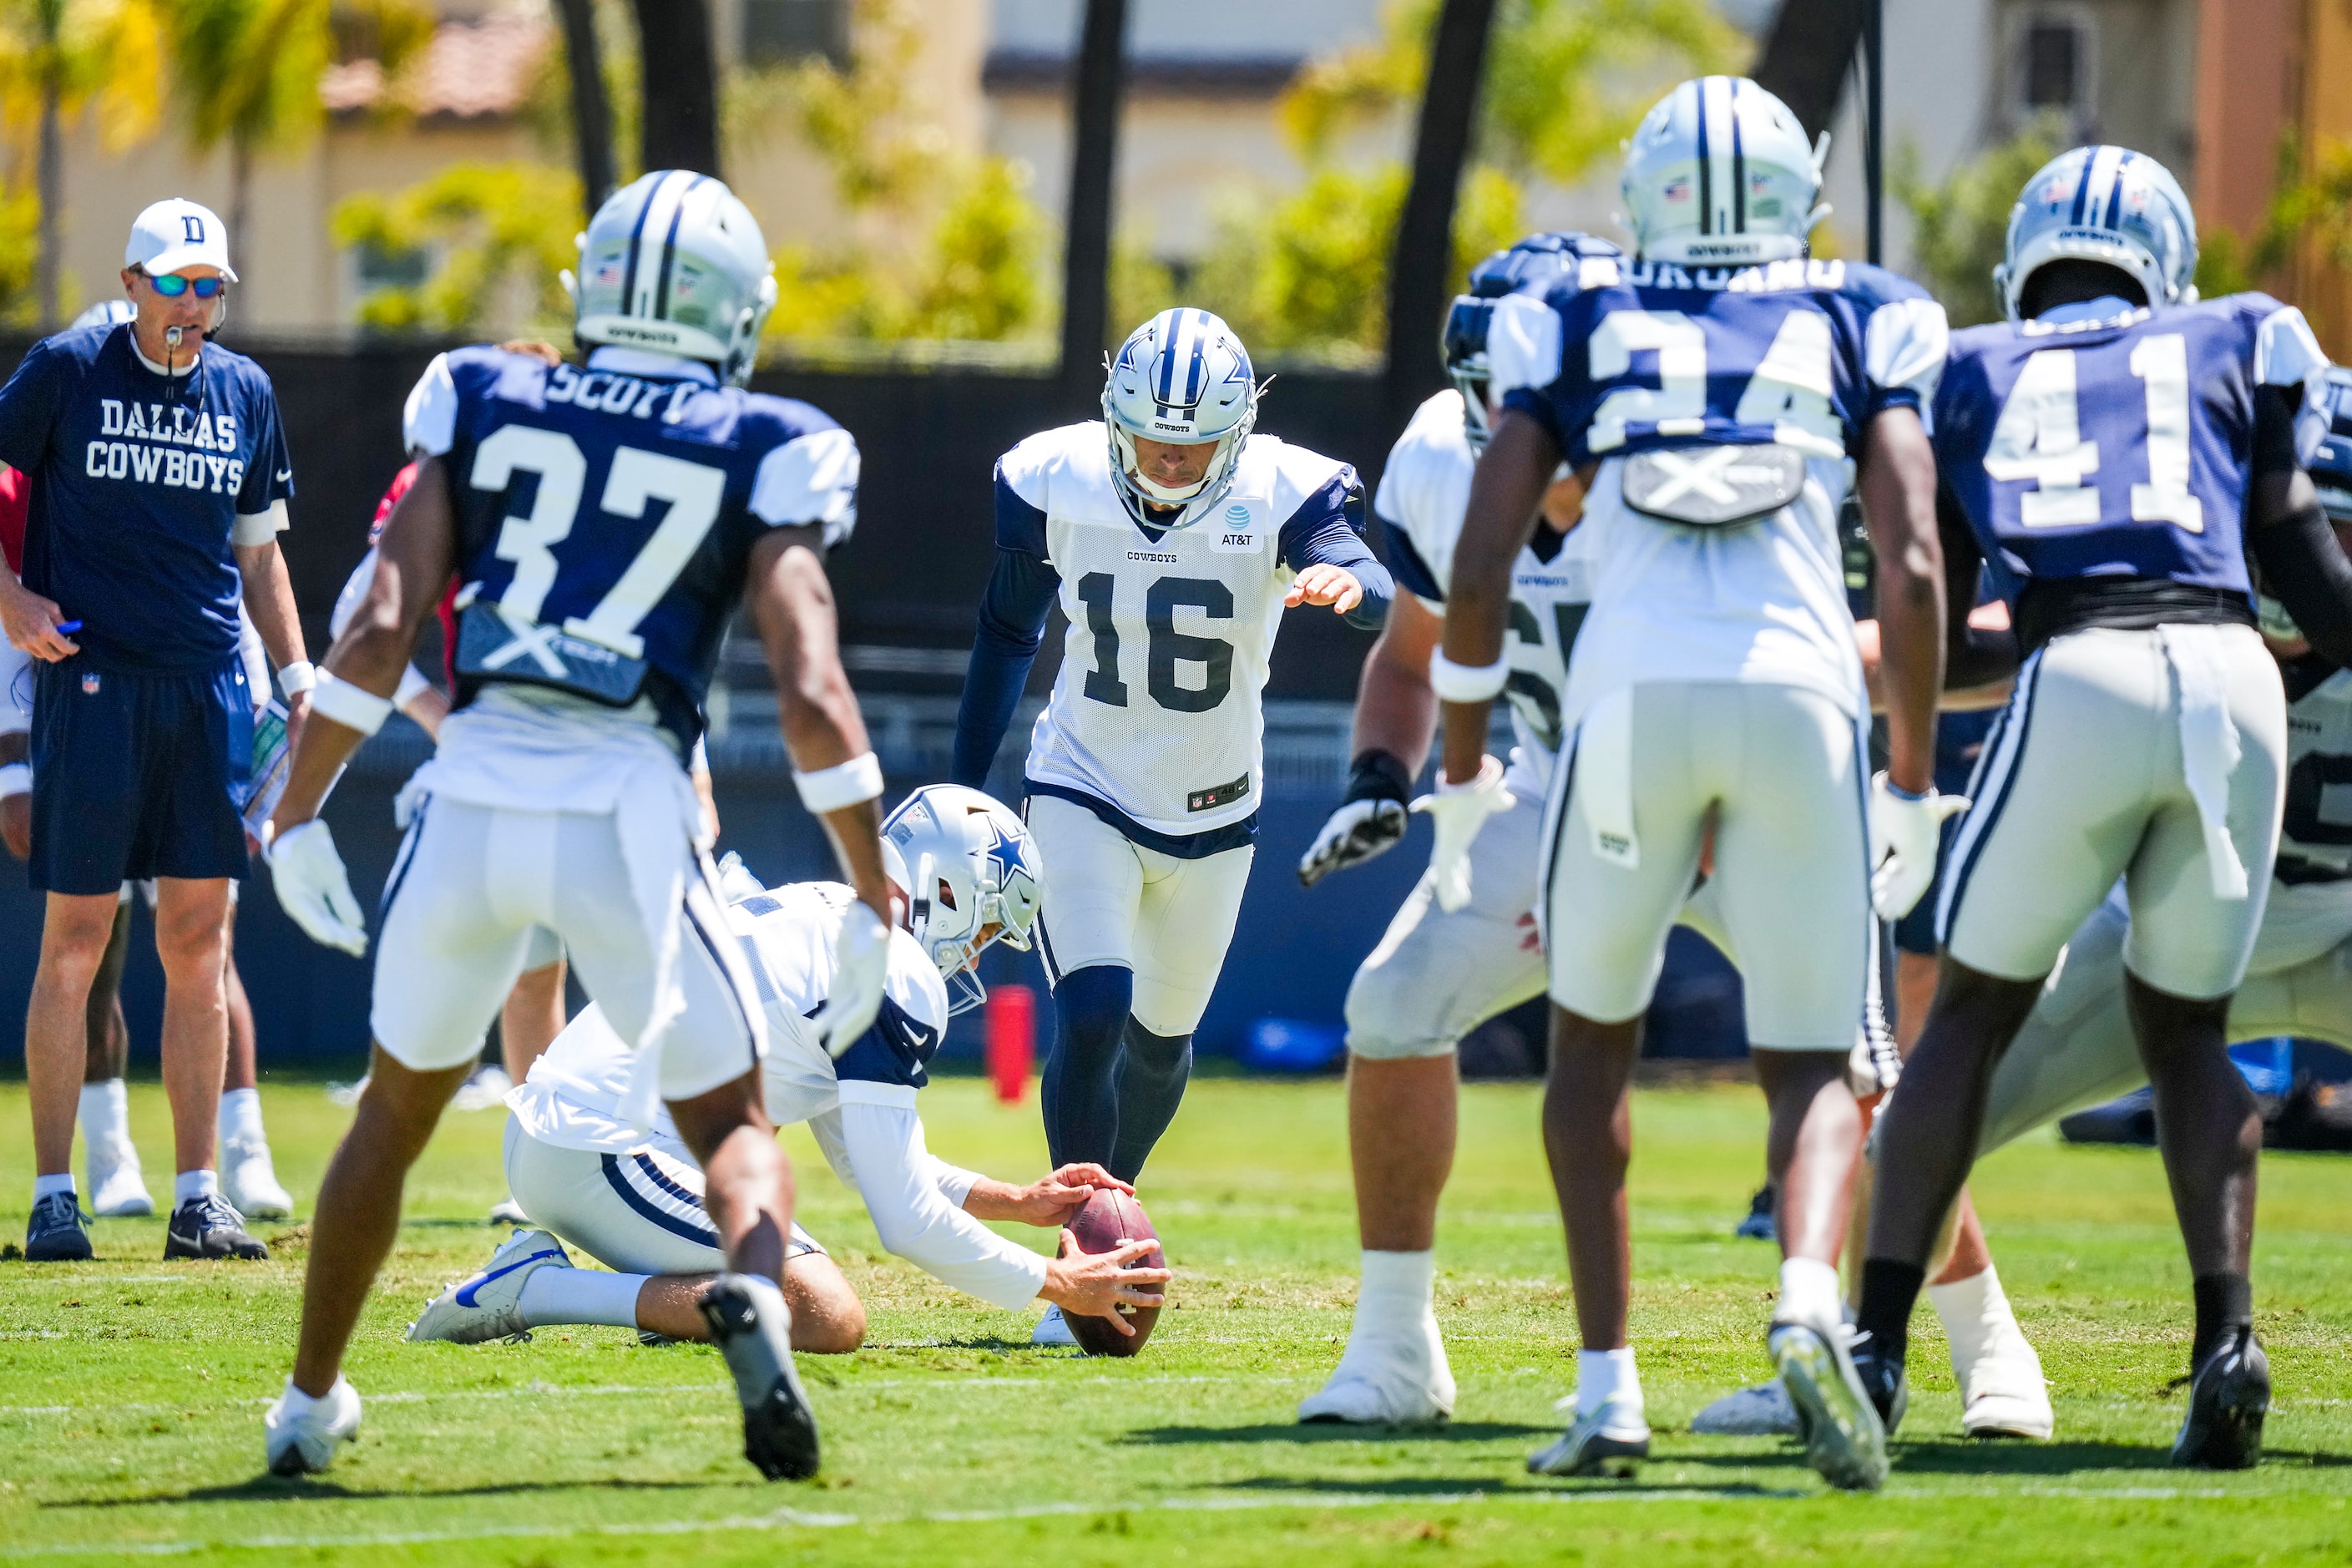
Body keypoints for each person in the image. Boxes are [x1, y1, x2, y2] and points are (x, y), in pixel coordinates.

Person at [1299, 232, 2045, 1443]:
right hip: (1551, 779)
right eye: (1485, 398)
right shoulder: (1442, 457)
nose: (1510, 431)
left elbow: (1837, 637)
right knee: (1390, 1003)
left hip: (1742, 783)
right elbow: (1410, 650)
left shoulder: (1690, 449)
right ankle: (1393, 1347)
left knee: (1853, 1081)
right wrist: (1385, 772)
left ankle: (1986, 1347)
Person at [257, 170, 890, 1485]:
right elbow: (815, 694)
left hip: (477, 793)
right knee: (729, 1120)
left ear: (594, 288)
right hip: (630, 806)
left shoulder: (482, 392)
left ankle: (308, 1402)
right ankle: (757, 1306)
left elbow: (377, 632)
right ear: (737, 312)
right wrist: (874, 892)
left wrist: (295, 808)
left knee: (393, 1117)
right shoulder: (766, 437)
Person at [1430, 77, 1977, 1489]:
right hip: (1798, 688)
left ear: (1644, 191)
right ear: (1799, 195)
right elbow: (1911, 563)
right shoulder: (1859, 308)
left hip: (1625, 700)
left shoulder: (1576, 310)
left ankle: (1606, 1390)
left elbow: (1482, 562)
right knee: (1812, 1058)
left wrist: (1462, 767)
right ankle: (1806, 1294)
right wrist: (1911, 773)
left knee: (1589, 1045)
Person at [1851, 146, 2346, 1477]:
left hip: (2079, 665)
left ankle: (1877, 1347)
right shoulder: (2241, 334)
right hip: (2231, 671)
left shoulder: (1963, 364)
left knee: (1967, 1009)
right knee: (2188, 1034)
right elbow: (2290, 529)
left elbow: (1942, 615)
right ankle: (2228, 1342)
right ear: (2168, 266)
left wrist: (1891, 723)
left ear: (2023, 266)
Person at [948, 307, 1392, 1348]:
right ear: (1113, 418)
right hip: (1082, 781)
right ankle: (1082, 1260)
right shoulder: (1052, 480)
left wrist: (1352, 587)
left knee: (1160, 1047)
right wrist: (970, 788)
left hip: (1214, 810)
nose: (1168, 459)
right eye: (1152, 437)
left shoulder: (1283, 493)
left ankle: (1115, 1210)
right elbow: (1008, 629)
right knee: (1095, 1010)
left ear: (1237, 435)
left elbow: (1371, 579)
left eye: (1193, 445)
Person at [407, 787, 1169, 1351]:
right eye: (986, 928)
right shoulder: (894, 966)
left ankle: (655, 1307)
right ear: (947, 887)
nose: (973, 955)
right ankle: (536, 1287)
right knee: (827, 1317)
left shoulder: (833, 915)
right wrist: (1058, 1283)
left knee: (783, 1271)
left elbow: (858, 1155)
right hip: (601, 1148)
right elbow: (900, 1215)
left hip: (583, 1139)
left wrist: (1017, 1201)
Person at [0, 200, 311, 1265]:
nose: (192, 303)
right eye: (174, 282)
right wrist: (9, 599)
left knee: (198, 944)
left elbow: (261, 553)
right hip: (91, 689)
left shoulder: (245, 393)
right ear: (131, 281)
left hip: (208, 692)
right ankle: (52, 1198)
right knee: (76, 945)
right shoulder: (65, 367)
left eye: (209, 286)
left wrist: (301, 675)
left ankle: (197, 1197)